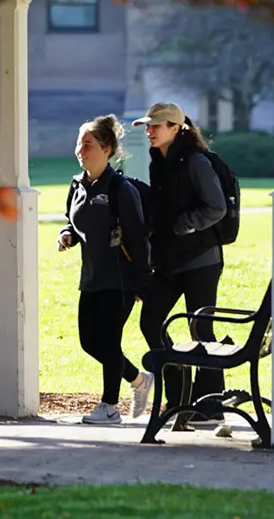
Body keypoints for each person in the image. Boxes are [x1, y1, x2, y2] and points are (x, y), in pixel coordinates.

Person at [133, 101, 228, 428]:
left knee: (201, 329)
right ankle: (178, 398)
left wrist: (185, 223)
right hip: (169, 262)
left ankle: (211, 407)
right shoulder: (156, 161)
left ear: (176, 128)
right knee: (151, 322)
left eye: (156, 126)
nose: (149, 131)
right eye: (147, 126)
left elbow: (216, 207)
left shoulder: (197, 161)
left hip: (202, 260)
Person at [57, 114, 155, 425]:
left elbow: (138, 238)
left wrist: (142, 282)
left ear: (107, 149)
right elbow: (75, 222)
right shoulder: (77, 184)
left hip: (120, 278)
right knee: (89, 341)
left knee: (109, 341)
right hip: (92, 277)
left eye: (87, 144)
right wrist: (67, 235)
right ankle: (138, 379)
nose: (80, 150)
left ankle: (110, 407)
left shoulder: (120, 189)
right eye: (79, 143)